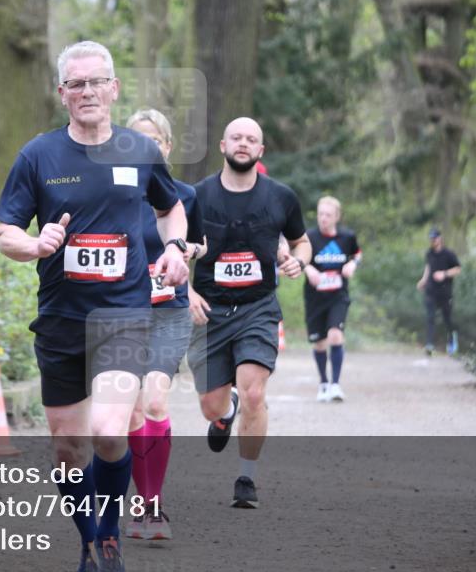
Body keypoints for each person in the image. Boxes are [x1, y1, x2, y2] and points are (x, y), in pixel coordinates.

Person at [0, 41, 189, 572]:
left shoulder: (139, 151)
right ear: (62, 94)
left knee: (108, 430)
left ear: (113, 89)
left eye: (95, 82)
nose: (86, 92)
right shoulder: (38, 156)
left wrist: (174, 249)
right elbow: (5, 230)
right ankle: (87, 543)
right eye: (75, 84)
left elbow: (169, 204)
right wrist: (33, 246)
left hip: (123, 316)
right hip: (59, 321)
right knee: (66, 449)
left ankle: (108, 541)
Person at [187, 117, 311, 509]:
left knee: (255, 390)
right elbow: (174, 249)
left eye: (251, 139)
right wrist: (186, 292)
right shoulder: (197, 197)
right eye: (236, 137)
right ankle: (225, 414)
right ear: (222, 145)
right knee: (211, 404)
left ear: (261, 152)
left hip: (258, 307)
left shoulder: (281, 197)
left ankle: (246, 478)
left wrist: (300, 262)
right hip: (210, 310)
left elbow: (301, 242)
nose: (243, 143)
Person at [123, 109, 205, 541]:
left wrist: (189, 274)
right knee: (133, 410)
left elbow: (201, 245)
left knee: (155, 401)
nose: (147, 148)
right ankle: (142, 501)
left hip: (168, 310)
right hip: (123, 311)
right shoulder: (115, 193)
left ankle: (155, 507)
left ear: (167, 147)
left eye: (154, 140)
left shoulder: (184, 196)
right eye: (138, 140)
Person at [302, 196, 361, 402]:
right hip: (315, 297)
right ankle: (324, 383)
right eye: (320, 214)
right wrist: (309, 270)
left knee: (335, 335)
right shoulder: (309, 237)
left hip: (338, 296)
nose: (323, 219)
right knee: (319, 343)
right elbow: (300, 258)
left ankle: (336, 385)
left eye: (328, 215)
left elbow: (357, 254)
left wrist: (352, 265)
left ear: (337, 217)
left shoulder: (347, 237)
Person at [416, 228, 461, 356]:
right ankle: (429, 344)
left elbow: (458, 269)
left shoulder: (449, 254)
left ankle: (452, 341)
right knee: (430, 317)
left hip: (445, 292)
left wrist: (444, 274)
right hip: (431, 291)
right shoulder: (429, 253)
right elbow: (428, 267)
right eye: (431, 238)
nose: (433, 241)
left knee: (447, 319)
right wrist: (423, 280)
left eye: (435, 238)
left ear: (440, 239)